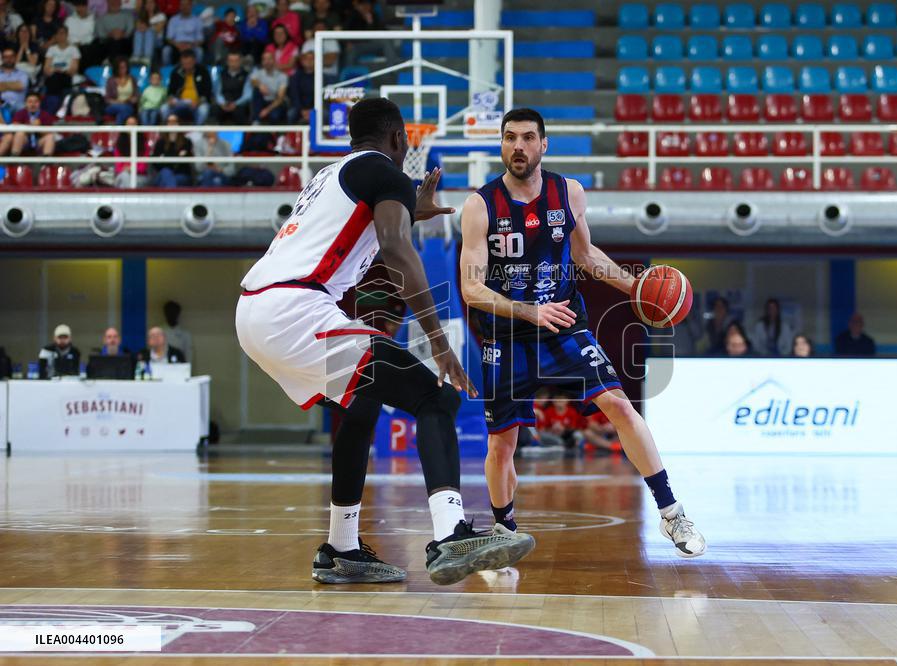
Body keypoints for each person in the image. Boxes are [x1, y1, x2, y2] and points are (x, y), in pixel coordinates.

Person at [235, 97, 535, 586]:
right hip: (294, 309)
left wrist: (408, 211)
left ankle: (342, 548)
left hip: (255, 309)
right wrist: (438, 340)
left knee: (363, 403)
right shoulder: (386, 173)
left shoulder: (331, 175)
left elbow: (362, 231)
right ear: (399, 140)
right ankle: (451, 534)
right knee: (435, 397)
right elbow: (395, 248)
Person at [459, 107, 705, 558]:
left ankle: (672, 513)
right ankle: (503, 527)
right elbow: (471, 288)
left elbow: (586, 254)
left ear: (543, 144)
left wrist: (636, 287)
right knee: (502, 443)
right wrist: (528, 311)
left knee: (619, 404)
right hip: (507, 332)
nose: (518, 146)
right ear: (501, 143)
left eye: (528, 137)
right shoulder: (480, 206)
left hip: (564, 324)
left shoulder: (567, 192)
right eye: (510, 137)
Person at [161, 48, 210, 124]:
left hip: (196, 101)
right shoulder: (176, 72)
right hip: (179, 101)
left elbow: (207, 92)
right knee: (164, 108)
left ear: (194, 61)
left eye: (189, 63)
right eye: (184, 64)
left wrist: (198, 102)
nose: (186, 66)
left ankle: (196, 133)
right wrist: (170, 99)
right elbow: (171, 91)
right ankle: (167, 133)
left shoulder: (203, 71)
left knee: (203, 110)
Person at [0, 91, 56, 157]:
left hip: (39, 141)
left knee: (50, 137)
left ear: (40, 103)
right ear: (25, 103)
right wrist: (29, 126)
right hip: (25, 141)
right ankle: (14, 159)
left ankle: (46, 163)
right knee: (19, 134)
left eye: (36, 102)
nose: (33, 104)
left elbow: (49, 132)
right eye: (30, 102)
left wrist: (39, 127)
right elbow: (14, 127)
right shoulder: (20, 113)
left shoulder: (45, 114)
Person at [42, 25, 81, 108]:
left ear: (67, 35)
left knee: (60, 79)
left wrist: (63, 70)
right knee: (53, 79)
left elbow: (74, 69)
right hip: (53, 75)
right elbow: (46, 69)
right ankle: (53, 106)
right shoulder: (51, 49)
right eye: (58, 33)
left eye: (63, 33)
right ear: (55, 35)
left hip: (67, 75)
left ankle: (60, 106)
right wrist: (54, 70)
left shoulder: (74, 49)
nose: (61, 35)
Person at [150, 113, 193, 187]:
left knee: (168, 180)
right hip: (162, 174)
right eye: (169, 122)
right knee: (166, 172)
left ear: (178, 124)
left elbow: (187, 163)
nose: (172, 124)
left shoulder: (186, 142)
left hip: (181, 175)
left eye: (174, 121)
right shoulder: (160, 142)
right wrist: (177, 156)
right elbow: (155, 163)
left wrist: (165, 158)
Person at [212, 50, 251, 124]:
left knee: (241, 112)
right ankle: (214, 135)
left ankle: (244, 135)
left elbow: (247, 95)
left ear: (240, 61)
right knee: (215, 109)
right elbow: (217, 92)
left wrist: (236, 104)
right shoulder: (221, 74)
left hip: (239, 104)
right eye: (231, 61)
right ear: (227, 62)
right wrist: (222, 103)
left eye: (236, 61)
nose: (233, 63)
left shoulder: (246, 75)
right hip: (224, 104)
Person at [249, 50, 287, 124]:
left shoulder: (282, 76)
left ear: (274, 60)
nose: (267, 61)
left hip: (275, 103)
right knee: (256, 90)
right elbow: (252, 80)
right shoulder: (258, 72)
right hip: (262, 101)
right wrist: (260, 85)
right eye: (264, 59)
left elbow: (280, 98)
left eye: (269, 59)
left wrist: (267, 110)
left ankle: (275, 134)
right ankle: (256, 122)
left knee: (274, 116)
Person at [65, 0, 99, 70]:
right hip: (71, 45)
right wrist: (73, 43)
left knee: (88, 49)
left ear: (86, 7)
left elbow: (92, 36)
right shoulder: (69, 20)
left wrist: (80, 43)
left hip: (86, 47)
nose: (79, 9)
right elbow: (65, 35)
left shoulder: (93, 20)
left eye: (82, 6)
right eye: (77, 6)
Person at [104, 56, 138, 124]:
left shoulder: (132, 79)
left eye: (124, 67)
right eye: (120, 67)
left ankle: (117, 131)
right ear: (116, 68)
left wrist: (133, 99)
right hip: (113, 106)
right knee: (124, 108)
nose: (123, 69)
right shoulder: (111, 80)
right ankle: (118, 131)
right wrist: (119, 102)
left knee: (124, 111)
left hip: (128, 105)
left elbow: (136, 95)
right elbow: (107, 99)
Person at [286, 49, 313, 124]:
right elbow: (294, 95)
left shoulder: (321, 76)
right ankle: (290, 135)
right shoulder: (295, 76)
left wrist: (312, 109)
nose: (309, 61)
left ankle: (324, 135)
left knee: (325, 114)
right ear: (302, 61)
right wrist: (302, 110)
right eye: (306, 59)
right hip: (299, 107)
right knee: (291, 114)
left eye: (311, 59)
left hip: (315, 108)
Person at [0, 46, 28, 117]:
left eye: (11, 56)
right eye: (6, 57)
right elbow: (17, 85)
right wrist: (14, 85)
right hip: (1, 104)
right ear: (2, 59)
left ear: (15, 58)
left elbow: (21, 86)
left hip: (18, 104)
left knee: (23, 108)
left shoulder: (23, 74)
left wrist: (2, 86)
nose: (9, 59)